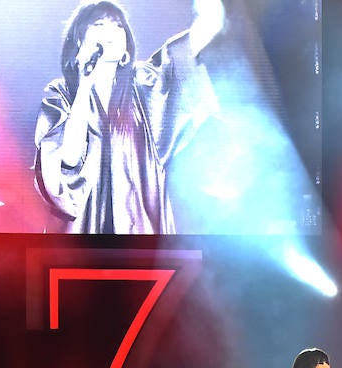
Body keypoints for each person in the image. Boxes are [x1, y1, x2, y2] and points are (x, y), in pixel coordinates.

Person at [33, 0, 226, 234]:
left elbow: (205, 28)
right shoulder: (61, 93)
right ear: (79, 41)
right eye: (99, 24)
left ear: (126, 48)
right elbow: (68, 160)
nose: (110, 32)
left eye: (117, 26)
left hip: (140, 243)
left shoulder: (146, 86)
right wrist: (85, 82)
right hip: (78, 248)